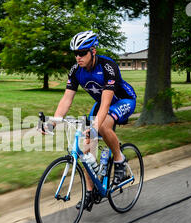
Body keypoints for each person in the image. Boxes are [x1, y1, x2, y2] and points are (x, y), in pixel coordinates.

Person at [49, 30, 136, 212]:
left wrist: (96, 126)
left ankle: (119, 160)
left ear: (93, 51)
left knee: (102, 126)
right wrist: (53, 122)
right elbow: (66, 99)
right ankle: (90, 192)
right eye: (76, 54)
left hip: (122, 100)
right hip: (102, 104)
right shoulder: (75, 71)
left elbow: (105, 103)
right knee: (85, 145)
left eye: (82, 53)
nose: (78, 57)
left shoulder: (107, 67)